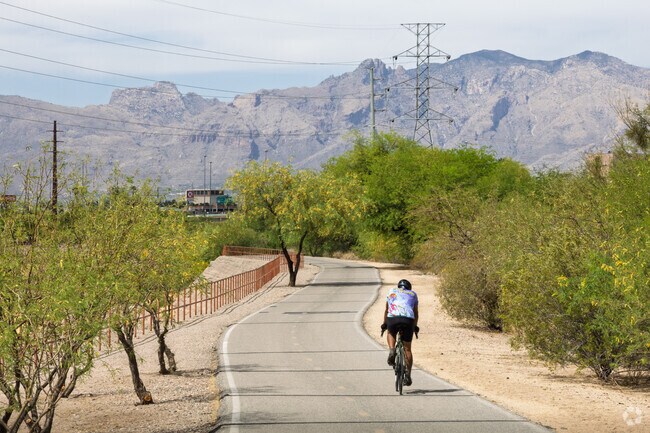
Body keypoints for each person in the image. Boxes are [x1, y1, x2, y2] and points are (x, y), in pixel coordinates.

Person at [381, 279, 419, 386]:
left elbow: (387, 309)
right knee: (407, 349)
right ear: (409, 287)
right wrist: (415, 326)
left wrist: (384, 324)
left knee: (390, 332)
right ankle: (408, 375)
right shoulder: (413, 294)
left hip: (393, 317)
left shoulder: (392, 291)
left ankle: (392, 350)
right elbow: (415, 313)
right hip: (408, 320)